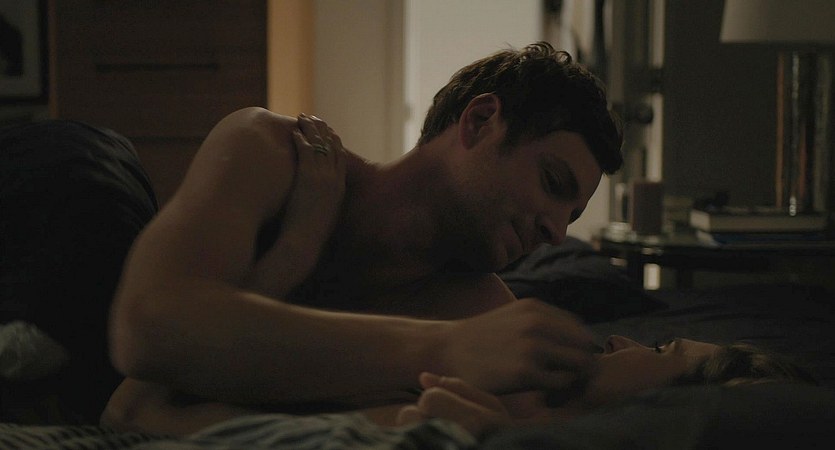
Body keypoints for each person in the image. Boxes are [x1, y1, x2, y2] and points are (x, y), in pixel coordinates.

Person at [106, 41, 624, 426]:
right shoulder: (276, 153)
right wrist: (441, 348)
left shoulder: (481, 310)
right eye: (553, 183)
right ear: (481, 121)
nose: (557, 232)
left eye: (572, 216)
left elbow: (142, 409)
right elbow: (146, 329)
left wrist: (292, 255)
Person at [100, 334, 818, 445]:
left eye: (661, 351)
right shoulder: (504, 400)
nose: (625, 342)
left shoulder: (475, 419)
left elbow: (135, 412)